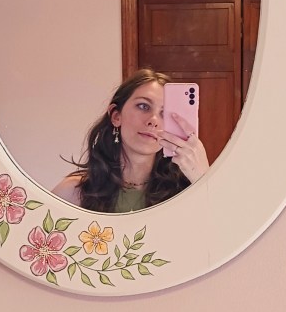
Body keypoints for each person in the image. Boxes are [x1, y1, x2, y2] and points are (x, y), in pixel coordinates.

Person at [52, 68, 209, 212]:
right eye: (143, 106)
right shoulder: (75, 192)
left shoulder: (187, 192)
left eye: (164, 113)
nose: (153, 120)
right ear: (116, 116)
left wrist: (205, 179)